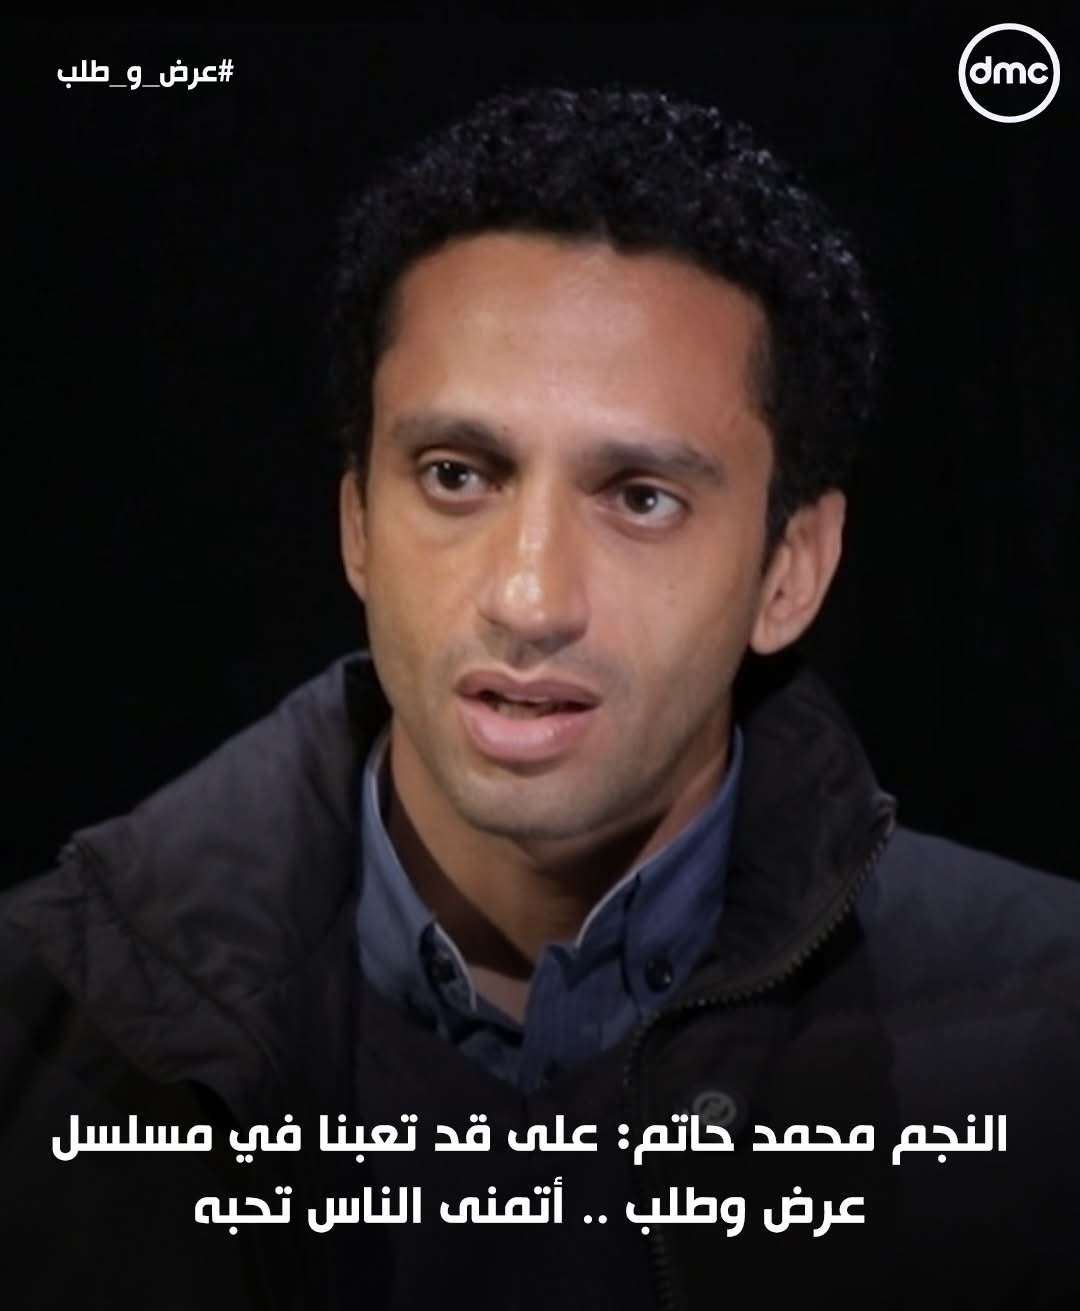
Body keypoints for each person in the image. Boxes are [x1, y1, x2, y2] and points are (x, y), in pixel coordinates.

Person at [3, 85, 1078, 1311]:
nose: (528, 597)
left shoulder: (1053, 1039)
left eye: (641, 499)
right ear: (358, 524)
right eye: (457, 475)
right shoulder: (35, 1027)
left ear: (790, 571)